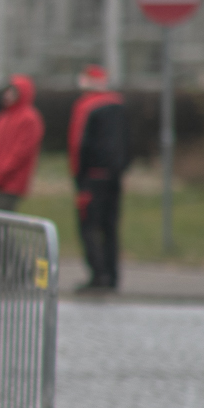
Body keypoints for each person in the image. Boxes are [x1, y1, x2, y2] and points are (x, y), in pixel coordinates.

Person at [69, 65, 128, 292]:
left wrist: (79, 179)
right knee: (110, 226)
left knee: (89, 227)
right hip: (114, 176)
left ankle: (98, 275)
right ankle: (112, 275)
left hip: (92, 177)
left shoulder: (86, 107)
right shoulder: (119, 104)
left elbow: (78, 145)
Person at [0, 74, 43, 210]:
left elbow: (19, 154)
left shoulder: (29, 119)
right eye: (7, 91)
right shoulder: (3, 117)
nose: (7, 95)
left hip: (13, 181)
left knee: (1, 221)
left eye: (13, 92)